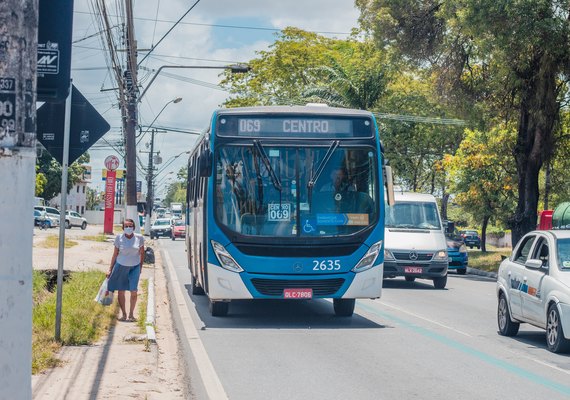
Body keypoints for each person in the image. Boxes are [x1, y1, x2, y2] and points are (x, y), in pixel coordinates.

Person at [107, 218, 144, 322]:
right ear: (123, 228)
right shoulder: (119, 238)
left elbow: (142, 253)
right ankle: (124, 314)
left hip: (135, 267)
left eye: (130, 226)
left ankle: (131, 314)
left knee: (134, 291)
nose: (128, 228)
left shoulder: (139, 238)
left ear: (134, 227)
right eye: (126, 226)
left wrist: (140, 267)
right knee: (121, 291)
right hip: (121, 266)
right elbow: (115, 254)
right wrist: (110, 269)